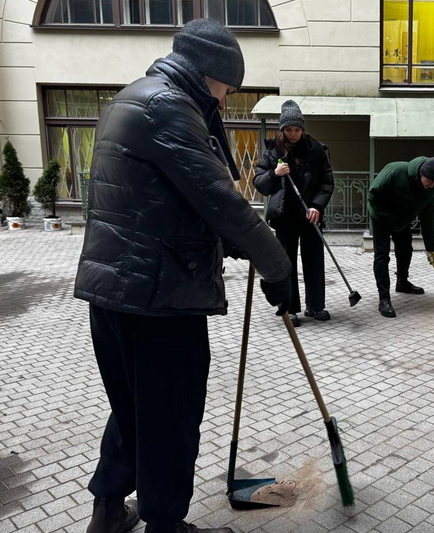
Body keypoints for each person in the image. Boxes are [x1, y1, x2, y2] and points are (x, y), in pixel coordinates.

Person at [73, 19, 292, 533]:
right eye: (226, 89)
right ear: (209, 74)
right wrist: (277, 265)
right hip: (158, 299)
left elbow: (165, 200)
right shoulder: (168, 106)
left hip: (116, 291)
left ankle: (108, 511)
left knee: (132, 410)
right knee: (169, 419)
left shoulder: (133, 96)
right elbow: (219, 198)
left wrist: (237, 246)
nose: (225, 99)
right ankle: (165, 524)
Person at [254, 100, 334, 327]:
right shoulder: (273, 152)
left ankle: (315, 306)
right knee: (286, 263)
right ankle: (290, 308)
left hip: (310, 215)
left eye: (297, 129)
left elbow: (327, 182)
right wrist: (275, 173)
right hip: (285, 216)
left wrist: (317, 206)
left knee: (314, 261)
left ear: (303, 129)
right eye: (288, 129)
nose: (293, 134)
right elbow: (260, 183)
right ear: (282, 129)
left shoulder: (315, 149)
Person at [367, 156, 434, 318]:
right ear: (420, 173)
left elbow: (429, 219)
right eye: (429, 180)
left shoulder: (431, 188)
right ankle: (384, 299)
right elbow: (373, 195)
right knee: (382, 256)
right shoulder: (395, 171)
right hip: (381, 217)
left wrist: (432, 249)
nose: (431, 184)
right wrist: (385, 217)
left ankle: (402, 282)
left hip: (402, 220)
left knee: (405, 249)